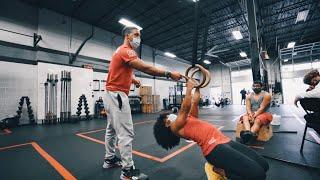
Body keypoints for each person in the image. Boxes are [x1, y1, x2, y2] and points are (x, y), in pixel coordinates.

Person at [103, 26, 182, 180]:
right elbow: (146, 67)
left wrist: (132, 79)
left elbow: (115, 70)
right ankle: (128, 171)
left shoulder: (118, 51)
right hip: (117, 95)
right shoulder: (127, 50)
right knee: (126, 132)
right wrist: (169, 73)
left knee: (111, 129)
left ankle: (110, 159)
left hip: (110, 94)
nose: (138, 38)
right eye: (136, 35)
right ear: (127, 35)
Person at [153, 79, 269, 180]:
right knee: (258, 175)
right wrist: (188, 89)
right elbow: (184, 108)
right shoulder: (175, 128)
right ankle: (221, 171)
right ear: (167, 124)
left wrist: (197, 88)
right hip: (214, 149)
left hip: (225, 141)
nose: (170, 115)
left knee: (264, 165)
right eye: (167, 117)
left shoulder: (189, 118)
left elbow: (194, 102)